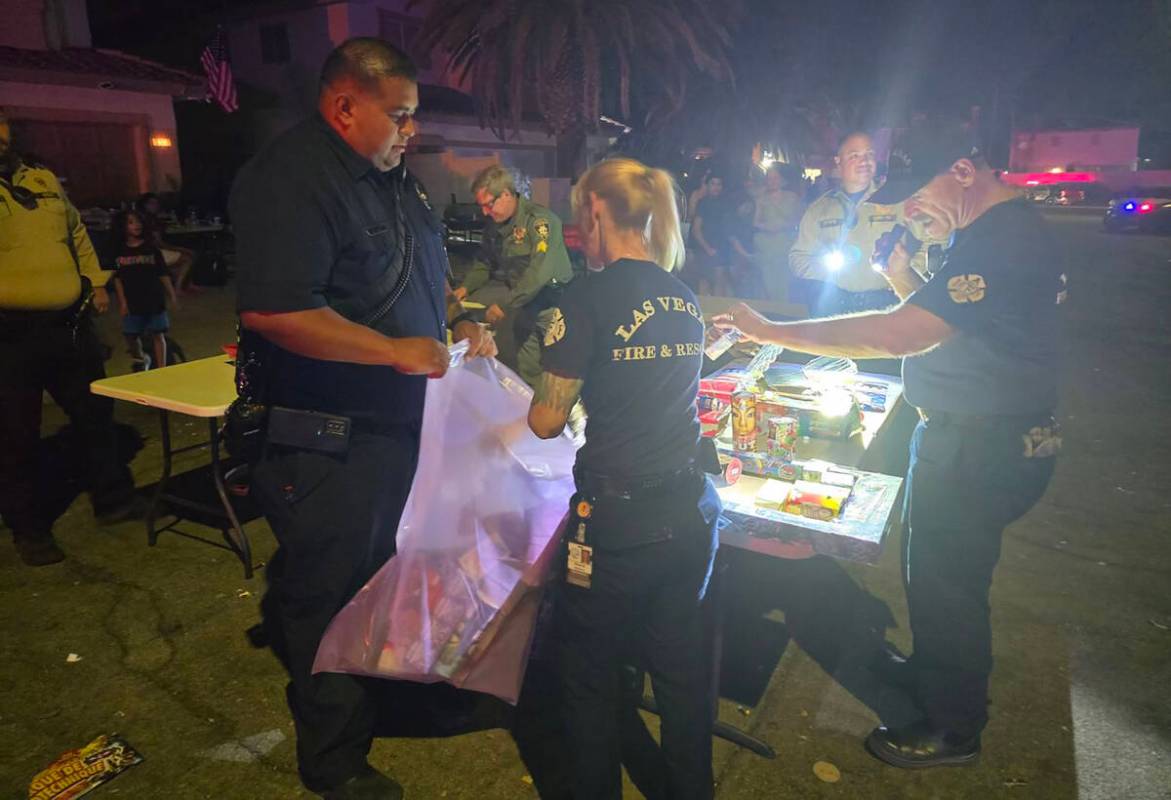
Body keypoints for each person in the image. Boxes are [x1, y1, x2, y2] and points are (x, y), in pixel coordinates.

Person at [713, 119, 1065, 769]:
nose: (908, 213)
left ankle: (952, 727)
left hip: (981, 444)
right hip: (972, 434)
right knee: (930, 579)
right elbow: (956, 330)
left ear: (961, 172)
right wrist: (902, 273)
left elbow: (900, 335)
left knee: (946, 587)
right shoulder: (985, 235)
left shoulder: (1001, 239)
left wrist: (773, 331)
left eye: (914, 198)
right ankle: (934, 675)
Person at [229, 38, 496, 800]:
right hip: (324, 441)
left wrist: (464, 319)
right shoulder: (291, 179)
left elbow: (421, 277)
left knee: (386, 577)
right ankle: (334, 762)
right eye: (401, 115)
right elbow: (275, 310)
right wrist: (390, 352)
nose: (411, 132)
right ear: (346, 105)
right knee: (328, 594)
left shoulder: (394, 183)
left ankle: (383, 692)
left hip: (397, 432)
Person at [528, 157, 721, 800]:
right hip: (688, 512)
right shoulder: (683, 295)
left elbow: (547, 421)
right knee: (681, 669)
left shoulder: (583, 298)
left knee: (588, 675)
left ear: (599, 212)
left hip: (616, 525)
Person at [0, 107, 139, 567]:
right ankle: (29, 526)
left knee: (96, 412)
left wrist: (95, 281)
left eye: (3, 129)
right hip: (9, 335)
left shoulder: (42, 180)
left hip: (67, 325)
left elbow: (76, 232)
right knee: (15, 432)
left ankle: (113, 498)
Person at [452, 165, 574, 388]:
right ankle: (532, 417)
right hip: (525, 305)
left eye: (489, 205)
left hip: (553, 304)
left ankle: (572, 420)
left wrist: (505, 305)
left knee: (562, 371)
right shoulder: (495, 227)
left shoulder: (539, 222)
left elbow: (539, 273)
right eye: (482, 207)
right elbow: (485, 261)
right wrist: (465, 288)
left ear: (506, 194)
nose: (485, 212)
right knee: (528, 369)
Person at [789, 131, 913, 316]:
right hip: (835, 305)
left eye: (869, 154)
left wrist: (904, 276)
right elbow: (798, 258)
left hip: (888, 304)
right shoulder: (819, 209)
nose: (864, 161)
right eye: (854, 156)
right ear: (838, 161)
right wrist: (829, 272)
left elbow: (926, 244)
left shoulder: (898, 202)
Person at [111, 209, 178, 370]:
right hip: (133, 298)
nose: (137, 225)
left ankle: (161, 367)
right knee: (130, 333)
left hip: (153, 297)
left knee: (158, 332)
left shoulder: (151, 248)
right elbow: (117, 278)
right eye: (131, 222)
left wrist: (172, 294)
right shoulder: (119, 250)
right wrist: (122, 301)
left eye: (139, 221)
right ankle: (141, 358)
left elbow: (162, 272)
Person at [752, 164, 804, 302]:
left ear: (781, 180)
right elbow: (755, 222)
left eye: (775, 178)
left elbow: (800, 219)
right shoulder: (761, 199)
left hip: (786, 242)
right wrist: (767, 227)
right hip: (767, 244)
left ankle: (784, 309)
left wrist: (784, 225)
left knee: (785, 279)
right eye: (769, 179)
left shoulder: (792, 197)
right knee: (768, 278)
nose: (772, 181)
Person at [137, 192, 197, 294]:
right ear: (145, 205)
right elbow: (159, 243)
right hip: (150, 252)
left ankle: (187, 284)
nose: (154, 206)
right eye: (151, 203)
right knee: (187, 257)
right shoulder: (149, 220)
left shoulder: (147, 218)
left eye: (156, 203)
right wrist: (180, 249)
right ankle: (178, 288)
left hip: (147, 251)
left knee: (185, 254)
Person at [688, 173, 734, 295]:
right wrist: (708, 249)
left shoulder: (726, 203)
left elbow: (728, 229)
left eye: (718, 184)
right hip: (705, 249)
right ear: (707, 186)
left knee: (721, 283)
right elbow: (696, 230)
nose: (716, 187)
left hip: (722, 249)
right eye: (713, 184)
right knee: (705, 282)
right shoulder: (703, 203)